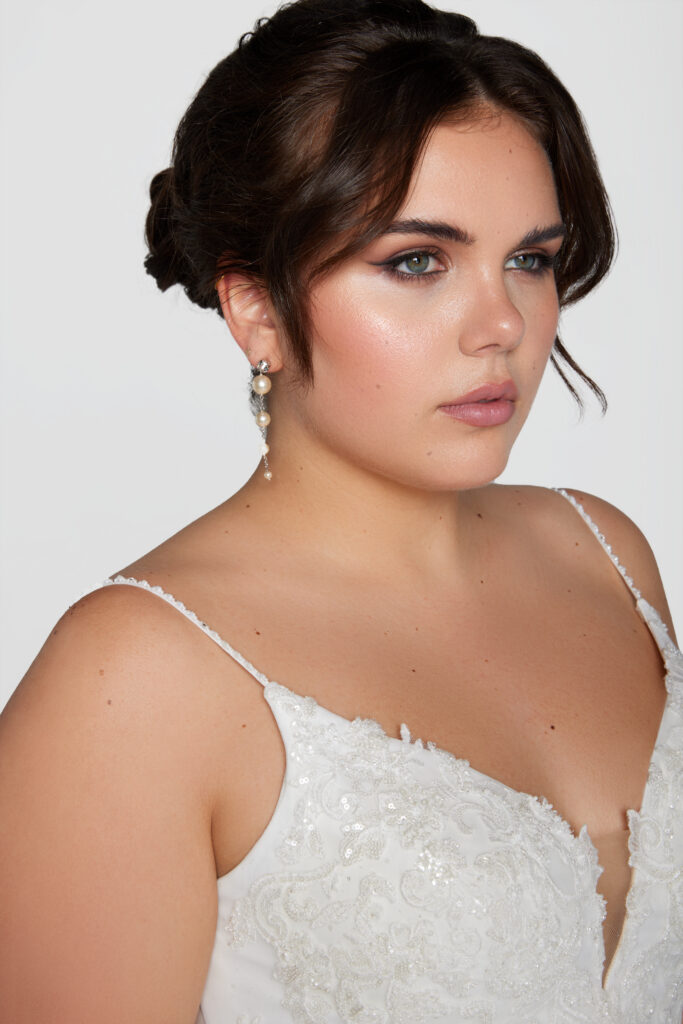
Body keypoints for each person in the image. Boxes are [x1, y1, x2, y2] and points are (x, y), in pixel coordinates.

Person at [1, 0, 681, 1020]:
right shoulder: (133, 681)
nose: (499, 324)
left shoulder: (602, 551)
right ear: (256, 309)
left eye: (529, 259)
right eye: (416, 262)